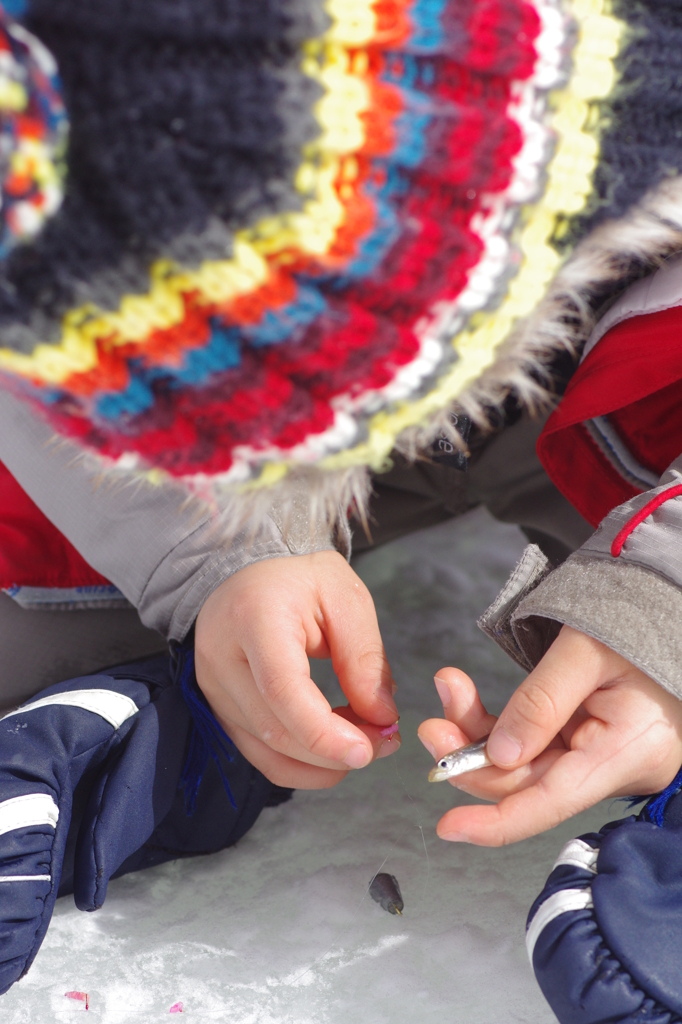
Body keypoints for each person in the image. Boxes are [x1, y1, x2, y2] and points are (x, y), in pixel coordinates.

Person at [1, 0, 682, 1019]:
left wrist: (659, 603)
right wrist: (221, 547)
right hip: (233, 353)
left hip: (640, 350)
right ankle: (143, 714)